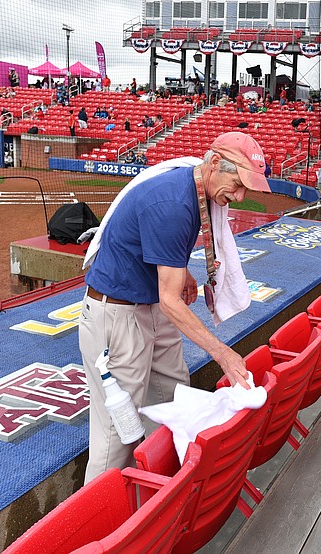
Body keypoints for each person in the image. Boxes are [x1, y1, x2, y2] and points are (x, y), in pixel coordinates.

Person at [79, 131, 269, 483]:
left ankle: (161, 491)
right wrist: (223, 354)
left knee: (173, 399)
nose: (240, 196)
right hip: (117, 315)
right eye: (238, 184)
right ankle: (98, 520)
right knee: (115, 435)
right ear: (214, 164)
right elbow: (170, 300)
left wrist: (182, 275)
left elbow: (165, 271)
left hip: (147, 303)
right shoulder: (173, 203)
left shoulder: (196, 189)